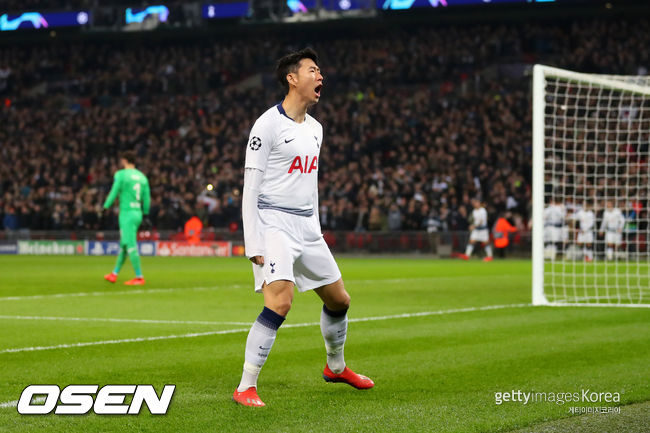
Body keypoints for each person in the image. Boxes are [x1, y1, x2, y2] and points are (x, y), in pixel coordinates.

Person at [234, 48, 374, 408]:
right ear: (292, 79)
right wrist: (253, 242)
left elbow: (309, 185)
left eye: (320, 70)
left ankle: (335, 367)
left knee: (340, 300)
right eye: (313, 70)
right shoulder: (267, 125)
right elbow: (251, 187)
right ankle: (246, 386)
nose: (320, 76)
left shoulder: (316, 129)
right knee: (280, 302)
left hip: (307, 226)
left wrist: (315, 230)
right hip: (273, 223)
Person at [103, 150, 151, 285]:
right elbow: (147, 198)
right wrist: (145, 213)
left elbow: (114, 191)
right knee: (124, 245)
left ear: (124, 160)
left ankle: (139, 277)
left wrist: (106, 206)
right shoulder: (142, 177)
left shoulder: (121, 175)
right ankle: (114, 274)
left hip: (126, 214)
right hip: (137, 213)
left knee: (130, 245)